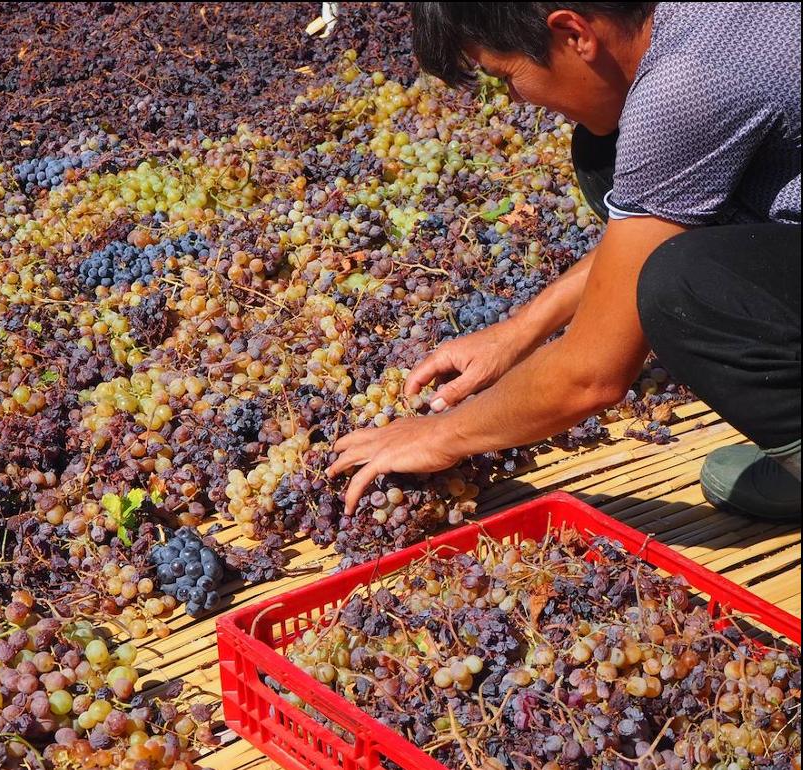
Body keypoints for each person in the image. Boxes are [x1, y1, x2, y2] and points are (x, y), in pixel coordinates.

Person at [327, 2, 800, 521]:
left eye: (506, 77)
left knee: (681, 288)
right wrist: (518, 331)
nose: (514, 99)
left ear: (573, 32)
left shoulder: (688, 89)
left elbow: (590, 376)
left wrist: (441, 435)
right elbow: (645, 241)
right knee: (607, 160)